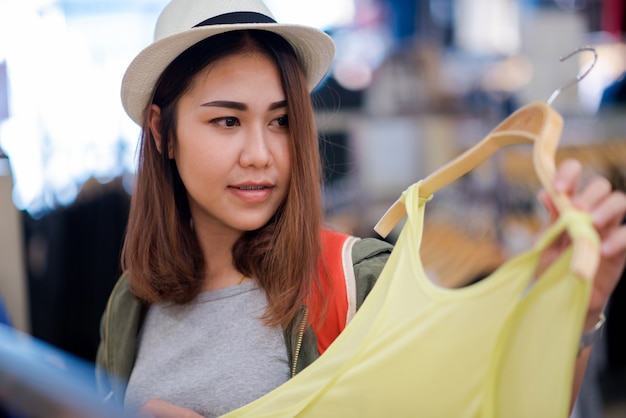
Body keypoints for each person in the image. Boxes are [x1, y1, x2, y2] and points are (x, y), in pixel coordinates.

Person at [95, 0, 626, 417]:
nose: (261, 155)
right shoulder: (132, 302)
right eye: (227, 121)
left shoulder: (356, 283)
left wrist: (574, 307)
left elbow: (506, 404)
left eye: (279, 121)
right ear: (163, 132)